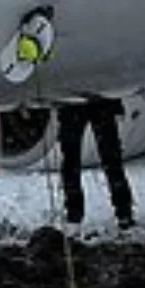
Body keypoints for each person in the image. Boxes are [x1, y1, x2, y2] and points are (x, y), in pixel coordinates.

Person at [55, 96, 135, 230]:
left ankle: (74, 214)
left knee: (72, 161)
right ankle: (123, 212)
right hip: (97, 100)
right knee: (111, 160)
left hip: (75, 102)